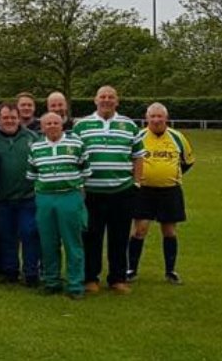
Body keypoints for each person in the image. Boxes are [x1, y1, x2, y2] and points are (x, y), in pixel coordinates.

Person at [74, 86, 145, 294]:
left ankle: (117, 279)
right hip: (92, 192)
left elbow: (138, 156)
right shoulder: (82, 126)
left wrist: (137, 183)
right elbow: (76, 158)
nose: (106, 100)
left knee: (119, 237)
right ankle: (90, 279)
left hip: (121, 191)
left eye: (110, 97)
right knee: (91, 237)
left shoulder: (129, 125)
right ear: (95, 100)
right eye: (102, 97)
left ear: (117, 101)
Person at [28, 113, 90, 299]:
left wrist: (74, 189)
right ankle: (52, 281)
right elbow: (32, 175)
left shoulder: (76, 144)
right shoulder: (36, 147)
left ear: (62, 125)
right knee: (48, 242)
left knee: (73, 242)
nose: (52, 126)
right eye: (48, 123)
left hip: (69, 196)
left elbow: (85, 171)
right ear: (42, 127)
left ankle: (75, 284)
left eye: (56, 122)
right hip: (45, 197)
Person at [129, 102, 193, 285]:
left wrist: (168, 174)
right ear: (147, 118)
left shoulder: (177, 137)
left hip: (170, 191)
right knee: (139, 230)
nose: (156, 120)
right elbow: (130, 160)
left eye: (160, 116)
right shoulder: (138, 136)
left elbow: (187, 161)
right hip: (143, 191)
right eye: (153, 116)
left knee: (170, 231)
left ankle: (170, 271)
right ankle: (131, 269)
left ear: (166, 118)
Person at [0, 103, 41, 286]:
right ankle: (10, 272)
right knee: (7, 236)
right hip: (2, 198)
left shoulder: (33, 137)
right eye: (5, 118)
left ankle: (31, 273)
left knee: (29, 234)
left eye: (13, 117)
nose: (9, 121)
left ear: (19, 119)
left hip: (28, 198)